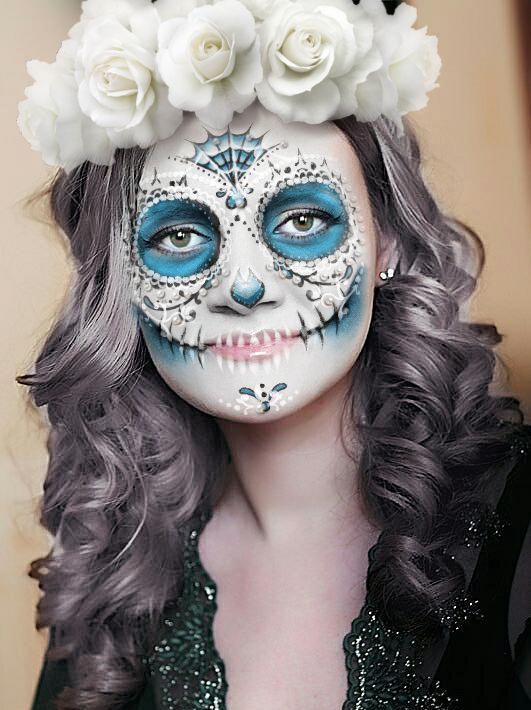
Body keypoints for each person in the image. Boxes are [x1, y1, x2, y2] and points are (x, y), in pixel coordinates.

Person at [17, 1, 530, 708]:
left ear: (385, 242)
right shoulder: (113, 580)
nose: (244, 285)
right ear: (123, 283)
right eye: (178, 236)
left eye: (302, 219)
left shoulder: (520, 521)